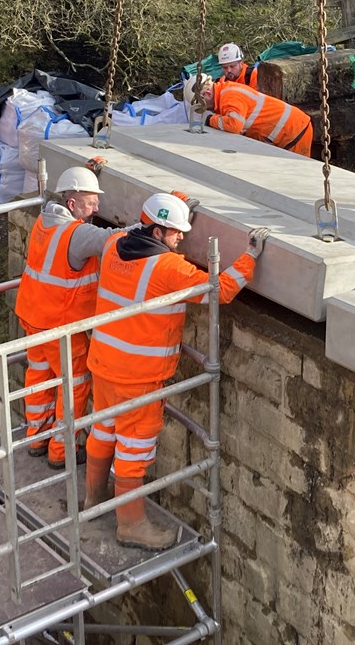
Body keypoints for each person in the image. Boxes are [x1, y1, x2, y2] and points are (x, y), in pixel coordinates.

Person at [83, 192, 270, 549]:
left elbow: (141, 222)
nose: (181, 238)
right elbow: (221, 290)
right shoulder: (168, 269)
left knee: (103, 430)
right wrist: (250, 256)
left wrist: (174, 202)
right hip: (139, 378)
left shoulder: (114, 246)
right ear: (156, 233)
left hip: (104, 364)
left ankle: (92, 500)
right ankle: (131, 525)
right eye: (175, 233)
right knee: (133, 452)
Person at [13, 161, 118, 468]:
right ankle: (61, 452)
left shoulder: (46, 217)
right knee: (73, 384)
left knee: (40, 376)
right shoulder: (78, 233)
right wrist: (153, 225)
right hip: (60, 324)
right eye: (90, 200)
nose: (98, 204)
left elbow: (61, 195)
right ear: (72, 204)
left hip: (34, 315)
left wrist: (86, 175)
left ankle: (37, 437)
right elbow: (114, 238)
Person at [184, 75, 312, 157]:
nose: (206, 109)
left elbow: (234, 125)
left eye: (203, 105)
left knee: (296, 175)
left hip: (294, 131)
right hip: (290, 130)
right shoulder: (225, 92)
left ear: (207, 94)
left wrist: (210, 120)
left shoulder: (229, 96)